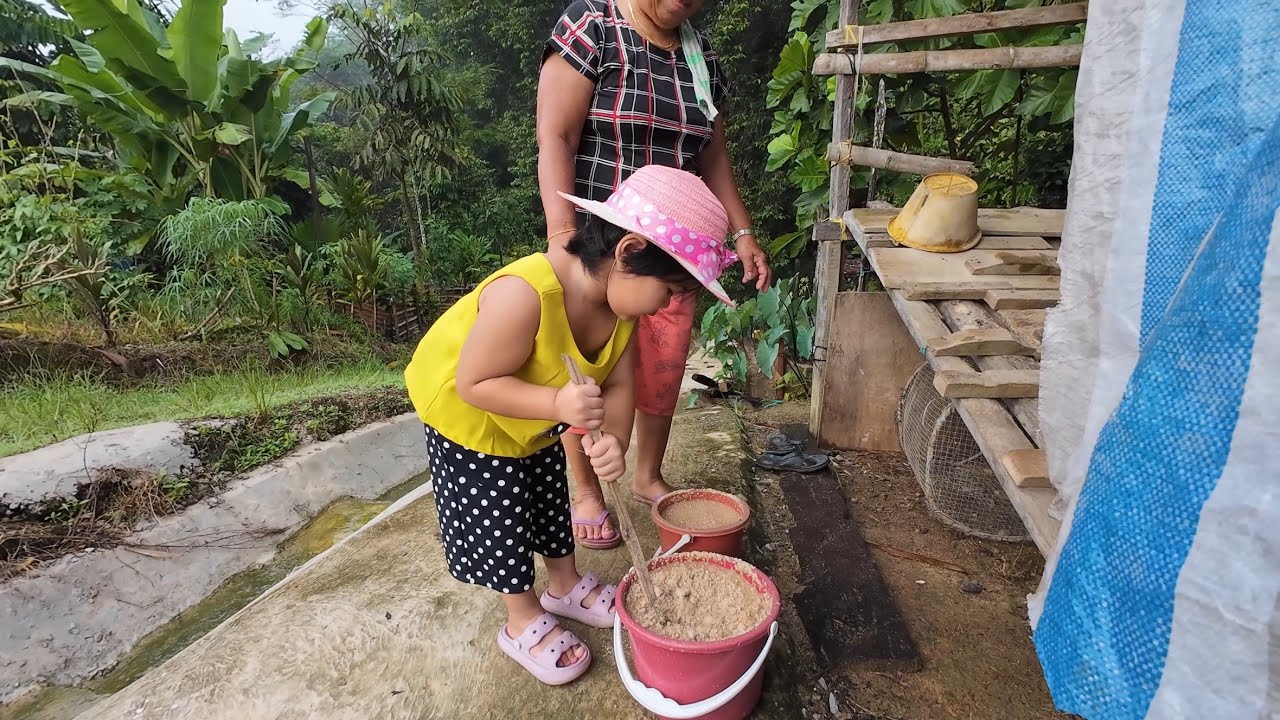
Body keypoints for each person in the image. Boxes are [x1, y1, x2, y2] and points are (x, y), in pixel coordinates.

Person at [404, 165, 737, 685]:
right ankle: (521, 617)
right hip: (471, 418)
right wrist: (558, 402)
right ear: (628, 252)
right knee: (502, 514)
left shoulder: (621, 311)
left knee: (547, 498)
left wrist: (616, 442)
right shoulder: (524, 295)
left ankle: (564, 583)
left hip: (536, 418)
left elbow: (620, 384)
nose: (669, 305)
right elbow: (476, 382)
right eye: (671, 289)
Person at [538, 0, 772, 550]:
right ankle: (587, 491)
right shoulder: (592, 25)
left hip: (675, 252)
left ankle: (647, 475)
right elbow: (557, 137)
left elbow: (714, 156)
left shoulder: (700, 54)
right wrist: (560, 236)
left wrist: (741, 232)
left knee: (662, 365)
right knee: (588, 369)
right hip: (605, 247)